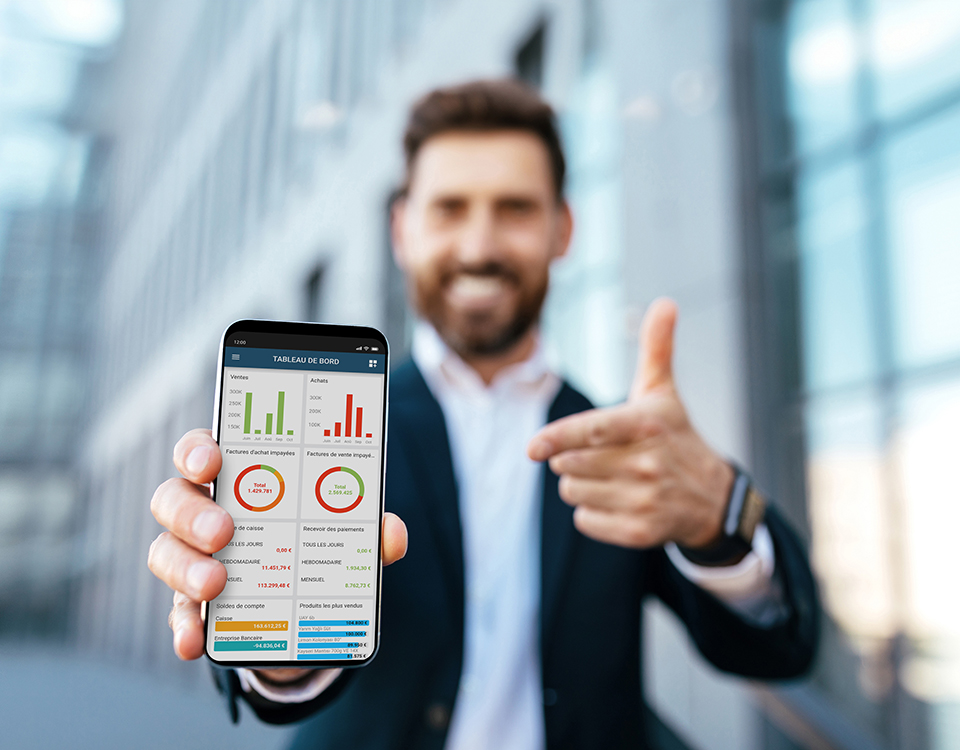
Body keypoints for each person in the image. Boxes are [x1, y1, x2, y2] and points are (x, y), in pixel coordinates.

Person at [147, 79, 818, 749]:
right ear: (402, 229)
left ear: (564, 228)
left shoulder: (626, 446)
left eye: (515, 209)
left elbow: (781, 648)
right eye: (450, 209)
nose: (478, 245)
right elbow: (283, 680)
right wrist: (277, 659)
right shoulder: (334, 434)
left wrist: (721, 516)